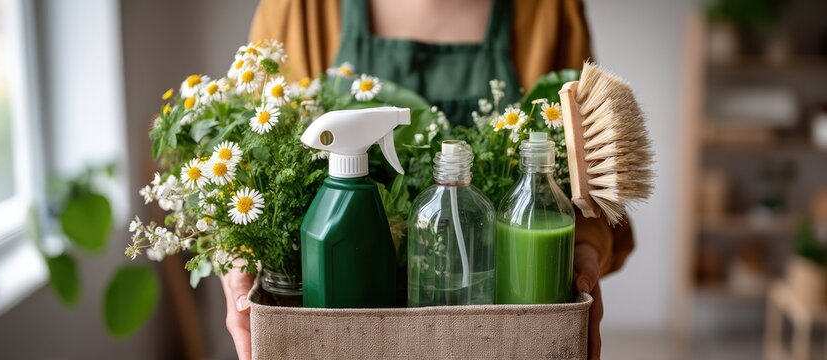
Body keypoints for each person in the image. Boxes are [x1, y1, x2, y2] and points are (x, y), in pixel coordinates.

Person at [222, 1, 634, 359]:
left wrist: (585, 250)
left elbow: (591, 176)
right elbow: (253, 157)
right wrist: (239, 256)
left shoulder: (550, 9)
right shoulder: (298, 9)